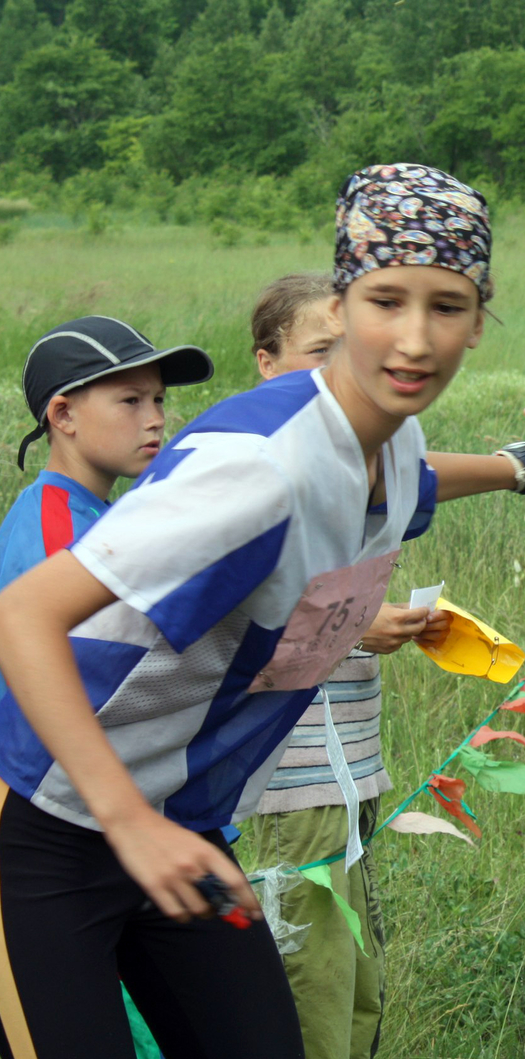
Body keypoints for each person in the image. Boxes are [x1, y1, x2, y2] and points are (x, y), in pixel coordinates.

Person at [0, 163, 525, 1059]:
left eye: (447, 306)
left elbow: (421, 481)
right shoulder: (258, 465)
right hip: (69, 826)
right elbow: (21, 615)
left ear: (480, 321)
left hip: (180, 825)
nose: (415, 338)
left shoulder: (390, 448)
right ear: (343, 303)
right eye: (386, 299)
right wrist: (123, 819)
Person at [245, 270, 525, 1059]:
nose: (341, 369)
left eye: (347, 350)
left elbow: (425, 473)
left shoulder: (355, 461)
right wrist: (346, 626)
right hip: (281, 787)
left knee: (355, 992)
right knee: (307, 1000)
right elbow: (213, 635)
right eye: (317, 353)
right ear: (265, 363)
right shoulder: (259, 466)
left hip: (348, 781)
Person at [0, 315, 214, 1059]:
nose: (156, 419)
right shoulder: (57, 527)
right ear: (62, 414)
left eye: (159, 400)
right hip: (54, 828)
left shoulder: (102, 515)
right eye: (130, 401)